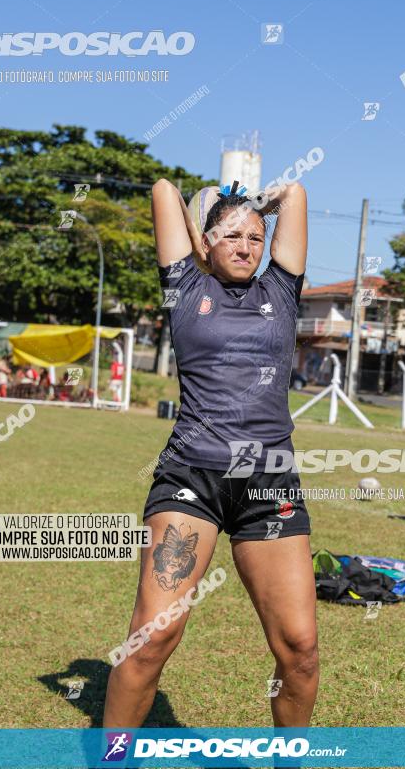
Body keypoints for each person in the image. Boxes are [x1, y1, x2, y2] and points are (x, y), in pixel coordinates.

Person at [103, 177, 318, 729]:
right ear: (203, 243)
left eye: (255, 236)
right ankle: (111, 760)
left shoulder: (282, 290)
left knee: (299, 648)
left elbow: (294, 193)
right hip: (191, 477)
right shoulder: (182, 284)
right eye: (231, 236)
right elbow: (161, 188)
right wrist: (212, 203)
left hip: (269, 483)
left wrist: (259, 204)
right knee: (153, 637)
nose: (246, 246)